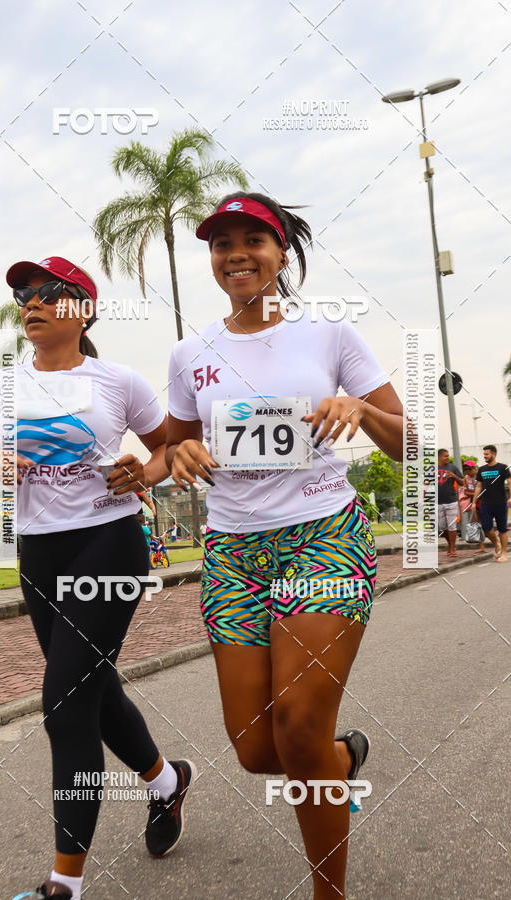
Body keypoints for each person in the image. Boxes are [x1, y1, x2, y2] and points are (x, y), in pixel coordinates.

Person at [165, 193, 404, 898]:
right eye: (222, 243)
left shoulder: (329, 333)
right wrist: (180, 455)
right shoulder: (189, 353)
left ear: (282, 252)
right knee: (256, 750)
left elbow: (409, 439)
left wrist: (361, 408)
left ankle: (329, 892)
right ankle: (340, 761)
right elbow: (176, 445)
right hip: (233, 550)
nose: (236, 254)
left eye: (253, 240)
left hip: (321, 534)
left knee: (298, 729)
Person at [0, 256, 194, 900]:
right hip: (40, 553)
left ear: (83, 310)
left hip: (108, 543)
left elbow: (169, 445)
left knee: (65, 703)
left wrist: (144, 471)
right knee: (94, 689)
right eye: (23, 295)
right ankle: (167, 782)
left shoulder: (118, 380)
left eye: (48, 292)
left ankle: (65, 883)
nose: (31, 302)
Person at [473, 444, 511, 562]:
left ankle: (503, 553)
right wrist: (474, 502)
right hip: (485, 503)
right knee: (486, 527)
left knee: (502, 529)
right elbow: (478, 486)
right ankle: (497, 543)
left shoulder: (503, 468)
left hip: (500, 503)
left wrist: (510, 498)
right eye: (484, 454)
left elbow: (510, 482)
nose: (484, 456)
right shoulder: (482, 469)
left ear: (493, 454)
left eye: (486, 454)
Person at [437, 449, 463, 558]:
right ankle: (450, 544)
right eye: (445, 456)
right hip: (437, 503)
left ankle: (452, 548)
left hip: (451, 501)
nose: (448, 458)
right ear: (439, 457)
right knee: (441, 528)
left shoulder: (453, 468)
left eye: (448, 456)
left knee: (452, 526)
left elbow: (462, 482)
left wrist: (454, 476)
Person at [459, 461, 486, 552]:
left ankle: (497, 542)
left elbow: (484, 489)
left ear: (474, 468)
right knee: (477, 524)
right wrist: (476, 495)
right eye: (465, 469)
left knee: (486, 524)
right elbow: (466, 491)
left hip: (483, 502)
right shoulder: (466, 478)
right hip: (474, 503)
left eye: (469, 469)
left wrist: (476, 494)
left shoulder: (480, 476)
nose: (468, 471)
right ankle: (481, 547)